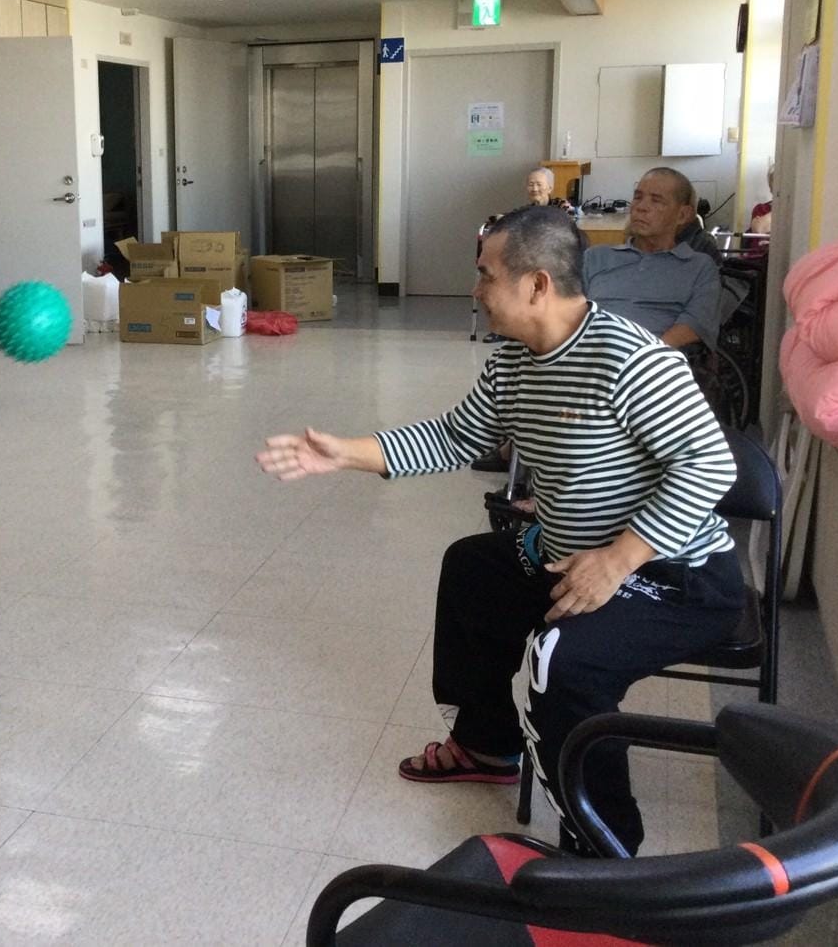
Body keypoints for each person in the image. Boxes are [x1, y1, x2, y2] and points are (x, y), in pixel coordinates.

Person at [257, 205, 742, 855]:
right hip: (572, 557)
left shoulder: (631, 358)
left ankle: (603, 852)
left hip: (674, 577)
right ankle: (486, 745)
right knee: (474, 568)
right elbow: (456, 437)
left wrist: (618, 558)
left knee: (561, 661)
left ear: (537, 284)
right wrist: (347, 453)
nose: (476, 290)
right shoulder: (514, 363)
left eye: (487, 275)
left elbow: (710, 465)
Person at [583, 167, 721, 349]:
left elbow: (694, 325)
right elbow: (566, 310)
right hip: (587, 354)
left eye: (656, 201)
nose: (641, 207)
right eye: (638, 197)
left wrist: (644, 357)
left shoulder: (699, 267)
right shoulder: (596, 257)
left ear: (682, 215)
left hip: (654, 359)